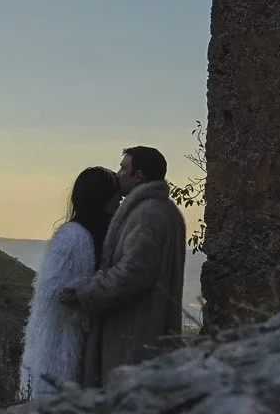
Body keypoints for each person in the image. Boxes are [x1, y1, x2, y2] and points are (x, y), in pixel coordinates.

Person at [61, 146, 188, 387]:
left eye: (123, 168)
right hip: (143, 329)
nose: (118, 174)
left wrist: (86, 292)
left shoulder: (147, 214)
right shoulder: (163, 211)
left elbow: (133, 273)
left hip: (132, 335)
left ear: (138, 176)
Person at [17, 166, 118, 398]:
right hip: (59, 346)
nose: (118, 202)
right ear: (100, 198)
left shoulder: (82, 235)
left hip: (63, 342)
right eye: (114, 196)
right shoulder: (75, 238)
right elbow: (57, 291)